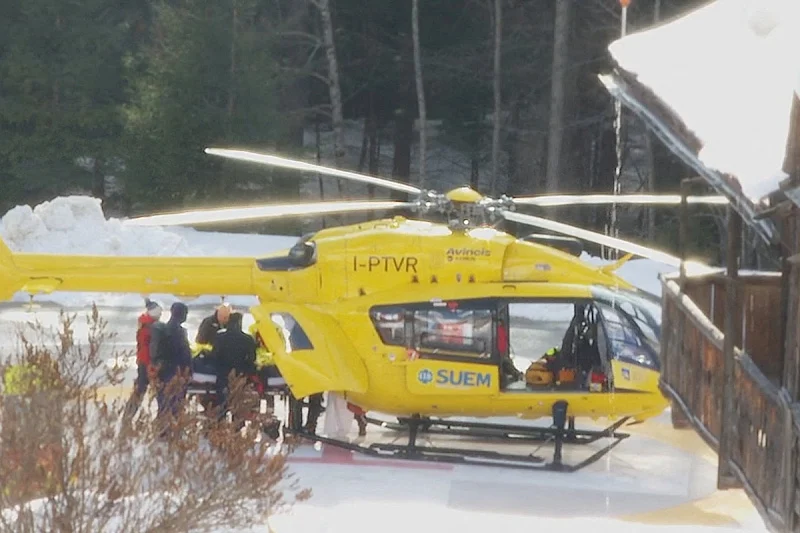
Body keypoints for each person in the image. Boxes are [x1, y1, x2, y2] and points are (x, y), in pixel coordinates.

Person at [150, 302, 193, 432]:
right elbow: (185, 354)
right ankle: (172, 431)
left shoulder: (160, 330)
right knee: (175, 404)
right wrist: (189, 371)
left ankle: (162, 430)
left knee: (163, 403)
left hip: (163, 371)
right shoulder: (179, 332)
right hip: (176, 372)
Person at [211, 312, 257, 421]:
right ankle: (237, 430)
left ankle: (220, 427)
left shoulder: (220, 336)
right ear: (240, 323)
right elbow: (252, 358)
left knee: (222, 404)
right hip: (241, 375)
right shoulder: (248, 339)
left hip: (222, 374)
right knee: (238, 405)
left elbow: (214, 355)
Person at [123, 299, 162, 421]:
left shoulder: (144, 324)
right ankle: (162, 419)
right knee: (159, 392)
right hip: (149, 362)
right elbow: (153, 347)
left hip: (142, 361)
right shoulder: (152, 328)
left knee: (140, 389)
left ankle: (128, 415)